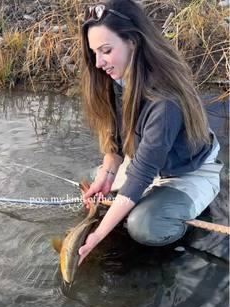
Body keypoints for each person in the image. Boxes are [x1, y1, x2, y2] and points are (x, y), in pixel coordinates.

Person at [78, 0, 222, 265]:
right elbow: (117, 143)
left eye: (106, 50)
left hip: (188, 172)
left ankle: (178, 220)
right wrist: (107, 173)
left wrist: (96, 237)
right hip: (152, 164)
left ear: (132, 41)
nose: (98, 63)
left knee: (143, 226)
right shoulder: (118, 78)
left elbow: (141, 174)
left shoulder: (164, 102)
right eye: (94, 53)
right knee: (94, 185)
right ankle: (148, 201)